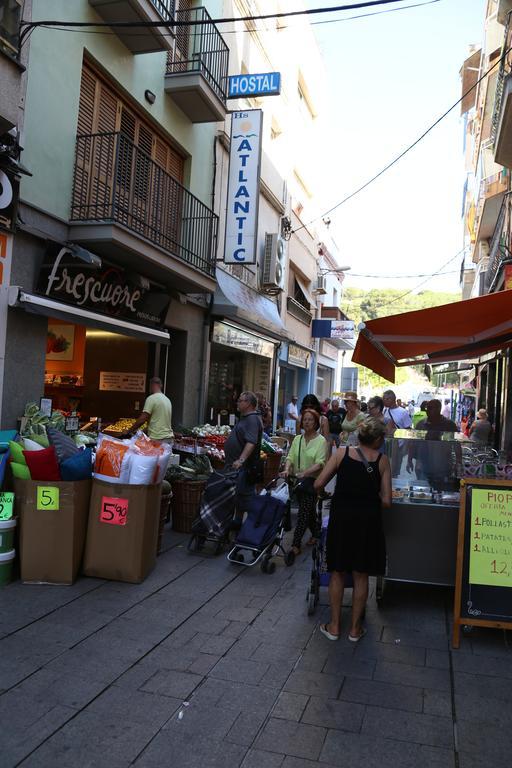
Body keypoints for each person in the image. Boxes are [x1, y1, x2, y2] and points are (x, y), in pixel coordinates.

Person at [314, 418, 391, 642]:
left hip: (342, 520)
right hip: (368, 523)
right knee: (361, 574)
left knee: (337, 571)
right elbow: (387, 501)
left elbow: (319, 483)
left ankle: (335, 626)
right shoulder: (383, 461)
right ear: (377, 439)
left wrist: (324, 496)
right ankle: (355, 630)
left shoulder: (342, 454)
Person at [283, 409, 327, 555]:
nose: (307, 422)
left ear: (316, 423)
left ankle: (296, 545)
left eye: (310, 420)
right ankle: (316, 534)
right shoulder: (297, 439)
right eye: (305, 420)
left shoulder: (321, 441)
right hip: (297, 481)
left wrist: (305, 473)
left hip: (312, 482)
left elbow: (320, 463)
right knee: (308, 511)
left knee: (303, 512)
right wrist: (287, 469)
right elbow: (290, 457)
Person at [224, 391, 263, 517]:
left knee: (246, 500)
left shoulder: (252, 419)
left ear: (249, 404)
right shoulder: (246, 418)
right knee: (239, 500)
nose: (238, 402)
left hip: (244, 469)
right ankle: (237, 525)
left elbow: (251, 442)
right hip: (238, 468)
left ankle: (253, 528)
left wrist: (241, 460)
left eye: (241, 400)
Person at [128, 377, 173, 443]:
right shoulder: (167, 400)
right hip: (168, 439)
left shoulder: (151, 398)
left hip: (157, 439)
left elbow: (142, 419)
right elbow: (158, 422)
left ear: (152, 385)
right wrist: (141, 432)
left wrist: (129, 431)